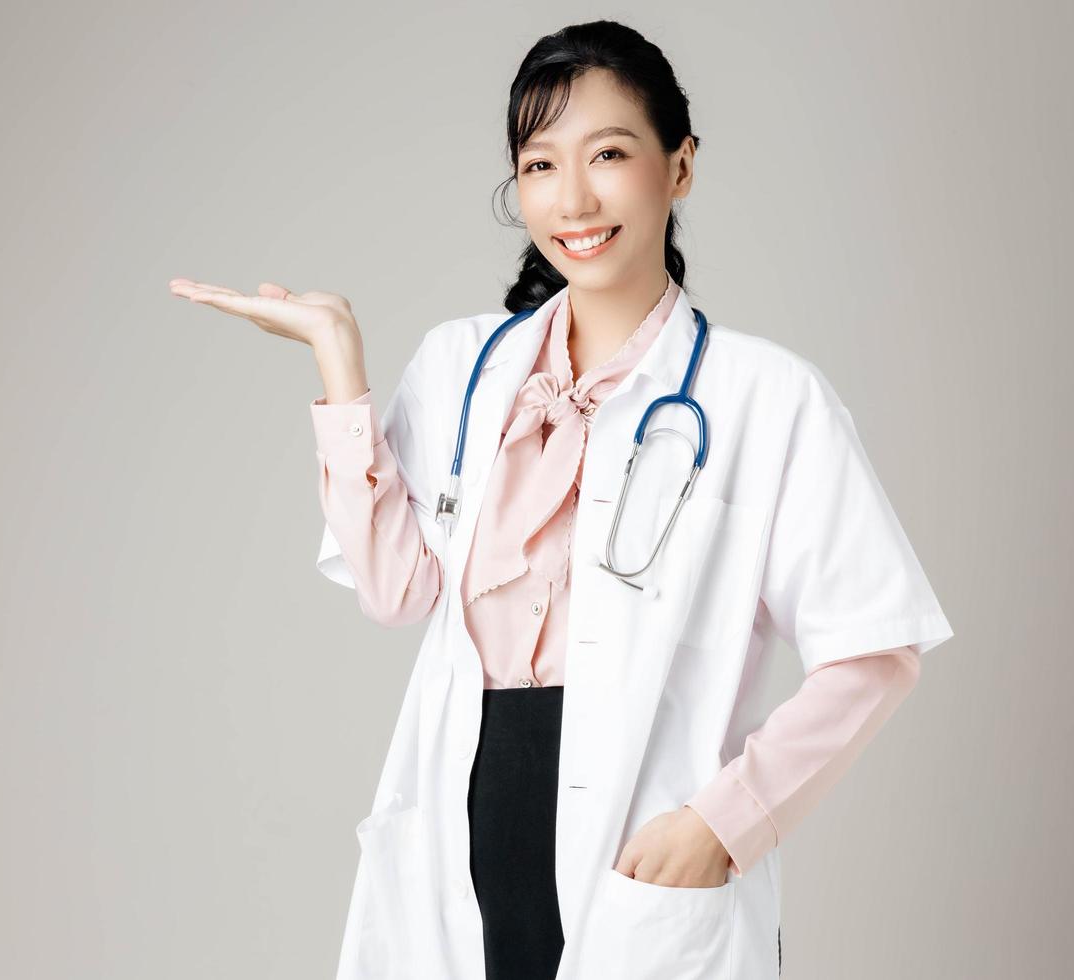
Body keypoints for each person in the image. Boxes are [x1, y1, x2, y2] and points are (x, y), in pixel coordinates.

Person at [170, 19, 952, 980]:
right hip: (471, 808)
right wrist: (341, 369)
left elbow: (876, 651)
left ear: (682, 166)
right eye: (539, 166)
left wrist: (727, 821)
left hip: (642, 835)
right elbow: (394, 593)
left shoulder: (766, 398)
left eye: (610, 154)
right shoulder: (463, 367)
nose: (572, 198)